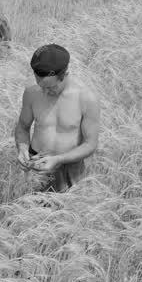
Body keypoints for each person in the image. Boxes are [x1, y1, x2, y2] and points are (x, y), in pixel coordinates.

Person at [14, 44, 100, 192]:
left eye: (51, 87)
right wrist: (22, 149)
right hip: (36, 165)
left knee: (67, 212)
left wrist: (58, 159)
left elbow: (90, 144)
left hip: (70, 167)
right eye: (41, 86)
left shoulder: (86, 99)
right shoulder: (31, 93)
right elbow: (23, 127)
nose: (45, 92)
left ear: (65, 74)